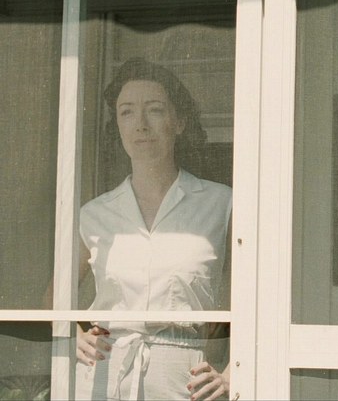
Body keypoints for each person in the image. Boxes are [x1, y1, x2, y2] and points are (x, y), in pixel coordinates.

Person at [74, 58, 232, 400]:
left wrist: (234, 370)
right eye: (127, 112)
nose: (140, 125)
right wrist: (74, 334)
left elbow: (262, 298)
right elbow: (53, 300)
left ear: (180, 122)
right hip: (103, 375)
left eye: (155, 110)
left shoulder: (221, 204)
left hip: (185, 379)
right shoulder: (95, 214)